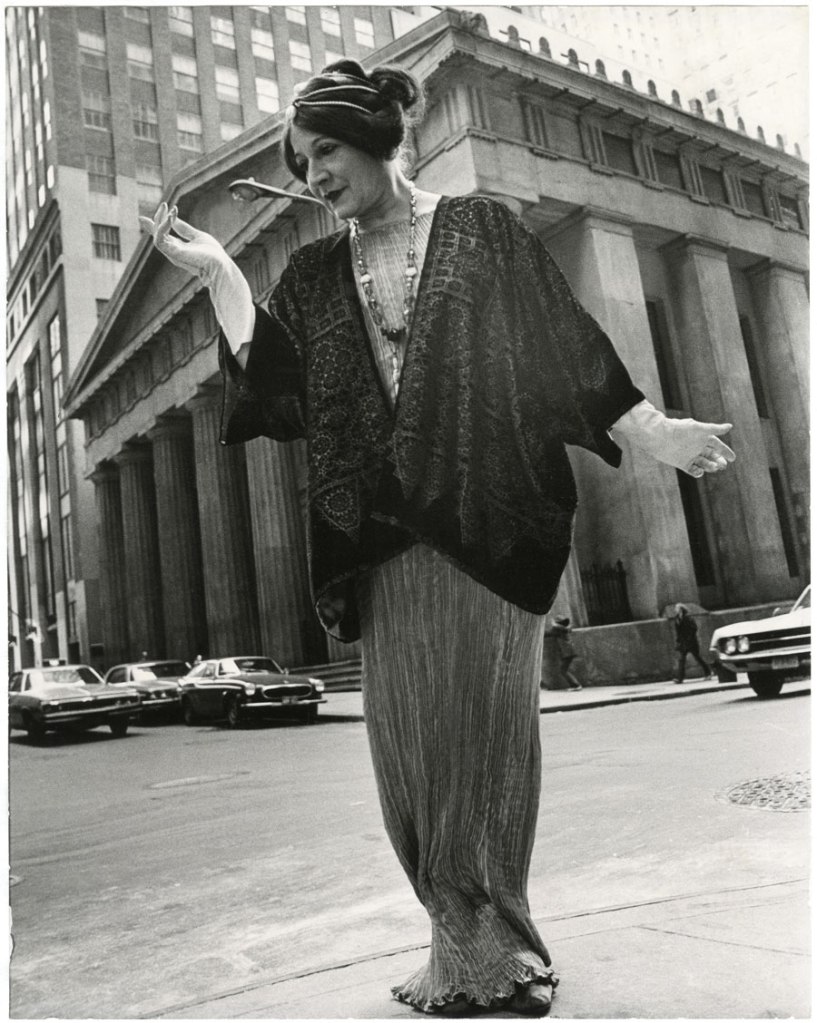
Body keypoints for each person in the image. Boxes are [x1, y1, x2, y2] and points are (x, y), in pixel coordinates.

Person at [140, 59, 735, 1017]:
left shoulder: (481, 232)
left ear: (374, 136)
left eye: (323, 151)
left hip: (490, 528)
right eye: (299, 164)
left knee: (485, 744)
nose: (313, 176)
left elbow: (563, 348)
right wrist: (216, 272)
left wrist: (654, 434)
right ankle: (458, 939)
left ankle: (494, 948)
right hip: (383, 544)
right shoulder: (313, 269)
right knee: (409, 752)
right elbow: (275, 381)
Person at [673, 604, 712, 683]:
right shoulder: (677, 619)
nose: (675, 610)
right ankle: (680, 678)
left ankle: (708, 672)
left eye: (676, 608)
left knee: (698, 658)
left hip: (691, 642)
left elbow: (694, 628)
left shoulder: (688, 618)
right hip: (683, 643)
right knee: (682, 660)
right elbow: (678, 632)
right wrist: (678, 641)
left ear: (681, 609)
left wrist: (689, 638)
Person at [550, 615, 582, 690]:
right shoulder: (565, 629)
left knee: (563, 670)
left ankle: (576, 685)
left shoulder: (559, 630)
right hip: (569, 652)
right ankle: (575, 685)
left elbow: (548, 633)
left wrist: (553, 624)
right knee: (564, 670)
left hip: (567, 653)